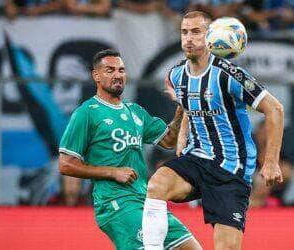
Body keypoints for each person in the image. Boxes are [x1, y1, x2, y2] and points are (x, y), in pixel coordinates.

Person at [142, 11, 284, 250]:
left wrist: (270, 161)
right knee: (156, 184)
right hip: (197, 158)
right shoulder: (176, 75)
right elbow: (188, 104)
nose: (189, 38)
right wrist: (183, 135)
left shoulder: (229, 74)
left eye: (196, 32)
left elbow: (275, 109)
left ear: (210, 37)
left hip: (231, 169)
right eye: (184, 32)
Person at [58, 49, 201, 250]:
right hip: (116, 203)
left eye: (121, 70)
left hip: (147, 201)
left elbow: (169, 140)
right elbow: (65, 164)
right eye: (110, 70)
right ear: (96, 76)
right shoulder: (86, 113)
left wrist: (180, 109)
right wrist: (112, 172)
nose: (117, 75)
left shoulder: (135, 111)